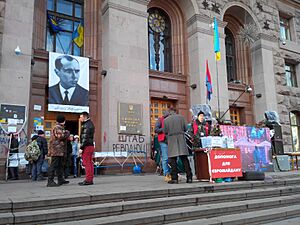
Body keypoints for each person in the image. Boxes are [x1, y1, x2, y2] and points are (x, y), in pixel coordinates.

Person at [164, 107, 192, 184]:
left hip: (172, 140)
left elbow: (165, 131)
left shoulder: (166, 120)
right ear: (176, 112)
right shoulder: (182, 118)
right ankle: (189, 178)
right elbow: (186, 128)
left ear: (169, 112)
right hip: (181, 139)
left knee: (173, 161)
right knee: (184, 159)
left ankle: (175, 179)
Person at [47, 115, 70, 187]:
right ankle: (50, 181)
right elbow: (60, 136)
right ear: (63, 121)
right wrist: (67, 133)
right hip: (56, 150)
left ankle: (60, 179)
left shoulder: (59, 127)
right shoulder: (57, 127)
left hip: (59, 150)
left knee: (60, 165)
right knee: (53, 165)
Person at [78, 111, 95, 186]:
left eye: (81, 117)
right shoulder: (90, 124)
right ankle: (90, 179)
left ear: (85, 117)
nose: (79, 118)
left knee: (87, 163)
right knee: (90, 163)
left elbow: (85, 137)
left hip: (87, 146)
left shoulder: (86, 125)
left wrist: (81, 147)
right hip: (90, 145)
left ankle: (88, 180)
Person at [154, 110, 171, 182]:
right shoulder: (160, 120)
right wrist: (164, 129)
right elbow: (156, 129)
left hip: (171, 141)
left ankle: (172, 173)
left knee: (172, 158)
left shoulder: (171, 120)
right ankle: (166, 174)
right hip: (163, 141)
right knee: (165, 158)